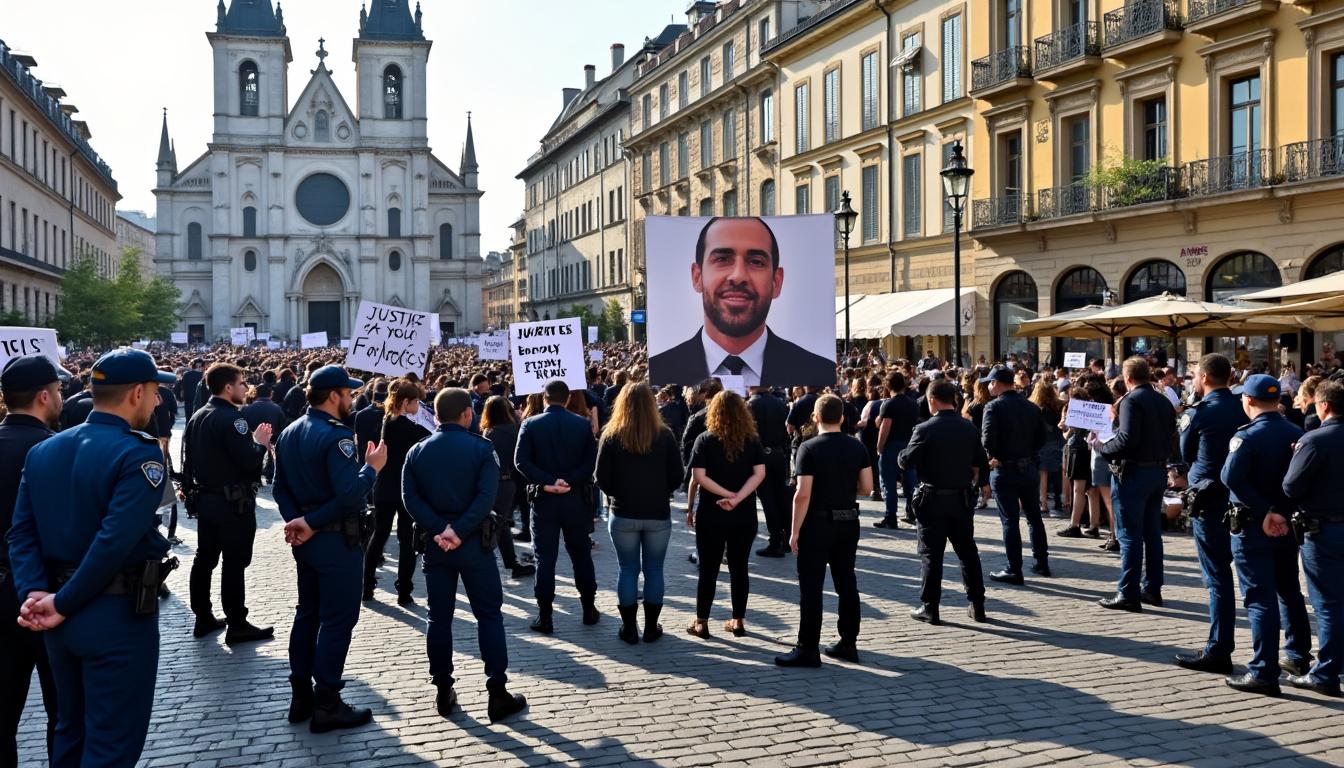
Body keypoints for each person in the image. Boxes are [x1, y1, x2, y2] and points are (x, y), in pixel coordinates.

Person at [6, 348, 177, 768]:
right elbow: (112, 543)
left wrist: (35, 594)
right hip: (113, 614)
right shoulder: (138, 453)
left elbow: (21, 533)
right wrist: (59, 604)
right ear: (137, 392)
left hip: (57, 614)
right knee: (112, 744)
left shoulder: (46, 450)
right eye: (156, 392)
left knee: (70, 732)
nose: (157, 401)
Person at [272, 365, 388, 733]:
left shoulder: (290, 431)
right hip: (335, 540)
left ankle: (300, 696)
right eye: (348, 393)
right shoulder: (337, 437)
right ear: (334, 395)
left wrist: (297, 521)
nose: (351, 399)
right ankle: (327, 702)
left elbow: (279, 487)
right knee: (337, 621)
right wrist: (371, 469)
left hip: (307, 542)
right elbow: (349, 494)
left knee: (307, 614)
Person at [401, 388, 528, 723]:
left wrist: (440, 529)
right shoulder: (480, 449)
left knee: (438, 618)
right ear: (467, 415)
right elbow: (487, 496)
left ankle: (443, 689)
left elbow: (410, 499)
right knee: (489, 616)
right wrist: (459, 530)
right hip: (473, 543)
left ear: (438, 416)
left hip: (436, 544)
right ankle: (496, 692)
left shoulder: (417, 452)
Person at [647, 217, 836, 387]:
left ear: (776, 282)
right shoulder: (662, 366)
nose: (738, 276)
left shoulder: (818, 369)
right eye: (722, 259)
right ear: (697, 277)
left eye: (756, 262)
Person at [1220, 374, 1313, 695]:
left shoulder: (1248, 436)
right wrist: (1280, 512)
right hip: (1285, 525)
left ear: (1247, 401)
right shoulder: (1296, 432)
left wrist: (1264, 511)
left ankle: (1263, 670)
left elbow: (1230, 476)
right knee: (1289, 590)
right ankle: (1299, 656)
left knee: (1259, 597)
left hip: (1252, 525)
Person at [775, 394, 872, 667]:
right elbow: (866, 488)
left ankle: (808, 647)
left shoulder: (809, 448)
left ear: (815, 418)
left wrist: (794, 531)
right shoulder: (857, 447)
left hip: (817, 523)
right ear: (841, 417)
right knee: (847, 582)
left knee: (812, 587)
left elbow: (802, 495)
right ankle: (848, 642)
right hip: (848, 521)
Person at [181, 362, 274, 644]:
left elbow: (187, 460)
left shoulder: (198, 415)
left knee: (205, 559)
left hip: (206, 499)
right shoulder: (235, 419)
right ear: (228, 387)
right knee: (234, 562)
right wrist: (259, 443)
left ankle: (203, 616)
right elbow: (247, 461)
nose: (246, 388)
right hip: (232, 503)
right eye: (243, 383)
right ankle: (237, 622)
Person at [0, 356, 63, 767]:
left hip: (2, 594)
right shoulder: (56, 450)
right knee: (66, 714)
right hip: (50, 596)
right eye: (58, 391)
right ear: (44, 396)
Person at [1174, 354, 1247, 674]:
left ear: (1204, 376)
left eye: (1193, 375)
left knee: (1216, 577)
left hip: (1209, 499)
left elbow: (1185, 451)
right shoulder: (1243, 406)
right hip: (1242, 498)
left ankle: (1219, 648)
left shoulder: (1201, 412)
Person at [595, 383, 683, 644]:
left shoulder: (611, 435)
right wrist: (661, 491)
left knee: (628, 569)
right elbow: (677, 476)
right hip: (657, 512)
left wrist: (615, 494)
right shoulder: (664, 435)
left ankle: (629, 628)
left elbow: (600, 478)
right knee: (654, 569)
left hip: (622, 512)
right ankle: (651, 627)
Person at [898, 380, 989, 625]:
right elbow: (981, 460)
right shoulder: (968, 428)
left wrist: (902, 454)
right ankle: (977, 604)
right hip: (960, 498)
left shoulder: (925, 428)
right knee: (968, 552)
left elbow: (906, 461)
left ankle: (930, 607)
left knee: (931, 555)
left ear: (932, 400)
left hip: (932, 499)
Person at [514, 379, 600, 634]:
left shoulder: (530, 424)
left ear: (545, 398)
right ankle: (589, 608)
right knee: (581, 555)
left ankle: (545, 615)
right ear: (566, 399)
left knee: (545, 558)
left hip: (544, 500)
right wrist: (567, 481)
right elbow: (589, 463)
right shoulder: (582, 425)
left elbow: (521, 461)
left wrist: (549, 482)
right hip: (574, 499)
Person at [1095, 358, 1176, 611]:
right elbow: (1172, 437)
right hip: (1157, 471)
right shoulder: (1163, 400)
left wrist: (1104, 448)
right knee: (1152, 534)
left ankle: (1128, 592)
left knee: (1129, 535)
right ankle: (1152, 588)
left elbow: (1128, 438)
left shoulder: (1132, 400)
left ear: (1127, 378)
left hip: (1134, 473)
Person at [686, 391, 766, 639]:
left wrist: (726, 495)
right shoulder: (751, 440)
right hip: (744, 513)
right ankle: (738, 620)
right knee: (739, 567)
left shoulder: (705, 439)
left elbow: (698, 478)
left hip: (711, 511)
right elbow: (759, 473)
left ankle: (701, 622)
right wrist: (738, 497)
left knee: (708, 568)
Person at [1282, 378, 1344, 697]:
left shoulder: (1315, 439)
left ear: (1324, 406)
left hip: (1323, 529)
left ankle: (1327, 672)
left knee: (1328, 603)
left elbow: (1291, 487)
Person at [363, 380, 431, 605]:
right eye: (415, 402)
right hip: (404, 489)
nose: (418, 407)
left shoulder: (387, 421)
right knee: (406, 540)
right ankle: (404, 591)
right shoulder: (410, 428)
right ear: (405, 402)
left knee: (379, 536)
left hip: (383, 487)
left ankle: (367, 586)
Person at [980, 365, 1049, 584]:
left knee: (1010, 520)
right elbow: (1042, 438)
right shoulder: (1031, 407)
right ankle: (1041, 561)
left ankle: (1014, 568)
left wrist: (994, 455)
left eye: (991, 382)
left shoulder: (993, 407)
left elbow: (987, 439)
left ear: (998, 384)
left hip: (1005, 469)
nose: (989, 386)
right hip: (1028, 467)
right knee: (1034, 518)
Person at [479, 395, 536, 580]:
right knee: (501, 523)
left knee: (498, 523)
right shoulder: (517, 428)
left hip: (499, 482)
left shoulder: (490, 433)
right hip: (516, 479)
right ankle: (511, 562)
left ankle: (487, 560)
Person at [748, 384, 791, 557]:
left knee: (768, 499)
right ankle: (786, 538)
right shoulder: (780, 403)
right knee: (781, 496)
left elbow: (749, 433)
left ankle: (776, 541)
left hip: (761, 456)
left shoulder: (751, 404)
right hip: (779, 454)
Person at [874, 372, 918, 529]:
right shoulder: (914, 403)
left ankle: (890, 517)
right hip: (909, 445)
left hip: (892, 446)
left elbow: (884, 428)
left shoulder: (889, 404)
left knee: (888, 483)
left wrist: (879, 448)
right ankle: (911, 513)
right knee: (911, 481)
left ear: (887, 385)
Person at [242, 382, 286, 485]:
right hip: (272, 437)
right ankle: (269, 475)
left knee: (256, 455)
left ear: (256, 394)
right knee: (270, 453)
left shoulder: (246, 408)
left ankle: (255, 477)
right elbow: (282, 425)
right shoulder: (276, 408)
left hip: (252, 437)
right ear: (270, 394)